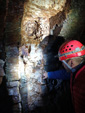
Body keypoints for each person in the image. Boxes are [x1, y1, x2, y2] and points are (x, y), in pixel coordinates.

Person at [58, 40, 85, 113]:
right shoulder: (77, 71)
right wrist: (48, 75)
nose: (62, 65)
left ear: (71, 62)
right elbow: (65, 74)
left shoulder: (82, 82)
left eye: (63, 63)